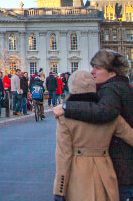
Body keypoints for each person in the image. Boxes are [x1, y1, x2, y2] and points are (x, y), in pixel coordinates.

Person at [54, 51, 133, 201]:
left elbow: (63, 156)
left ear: (112, 72)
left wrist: (59, 190)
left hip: (82, 175)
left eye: (98, 68)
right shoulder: (122, 93)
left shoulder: (109, 92)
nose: (93, 71)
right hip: (107, 171)